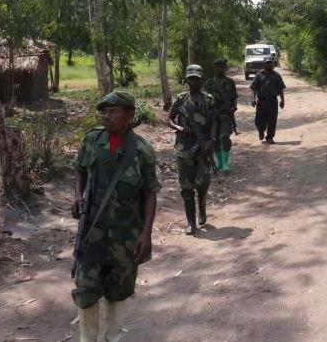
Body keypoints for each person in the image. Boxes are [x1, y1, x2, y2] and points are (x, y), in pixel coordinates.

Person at [71, 91, 160, 342]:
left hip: (126, 234)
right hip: (92, 232)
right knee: (85, 290)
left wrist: (146, 234)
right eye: (104, 112)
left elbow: (150, 193)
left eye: (113, 111)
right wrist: (77, 196)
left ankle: (112, 337)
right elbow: (80, 170)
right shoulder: (92, 139)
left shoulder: (142, 149)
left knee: (118, 292)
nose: (106, 116)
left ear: (129, 115)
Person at [169, 64, 216, 235]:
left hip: (203, 148)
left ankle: (202, 207)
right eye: (191, 79)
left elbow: (214, 121)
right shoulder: (181, 99)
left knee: (203, 182)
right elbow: (169, 118)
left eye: (197, 79)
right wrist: (179, 128)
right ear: (187, 80)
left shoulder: (208, 99)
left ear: (201, 80)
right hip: (184, 148)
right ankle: (191, 222)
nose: (194, 82)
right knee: (186, 186)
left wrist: (211, 140)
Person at [204, 58, 238, 173]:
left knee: (224, 137)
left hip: (226, 115)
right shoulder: (209, 83)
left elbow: (234, 97)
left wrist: (233, 108)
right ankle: (219, 162)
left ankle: (225, 163)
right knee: (215, 139)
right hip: (212, 116)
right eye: (218, 66)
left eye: (222, 66)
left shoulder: (230, 82)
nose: (220, 69)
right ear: (215, 68)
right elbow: (204, 99)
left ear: (225, 68)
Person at [250, 56, 286, 144]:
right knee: (259, 119)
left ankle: (269, 137)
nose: (269, 65)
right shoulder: (259, 75)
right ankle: (261, 131)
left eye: (270, 63)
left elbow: (281, 89)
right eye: (267, 63)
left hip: (272, 101)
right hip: (261, 101)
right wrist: (253, 99)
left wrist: (282, 100)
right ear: (264, 64)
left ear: (273, 64)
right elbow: (254, 88)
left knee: (272, 120)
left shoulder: (276, 75)